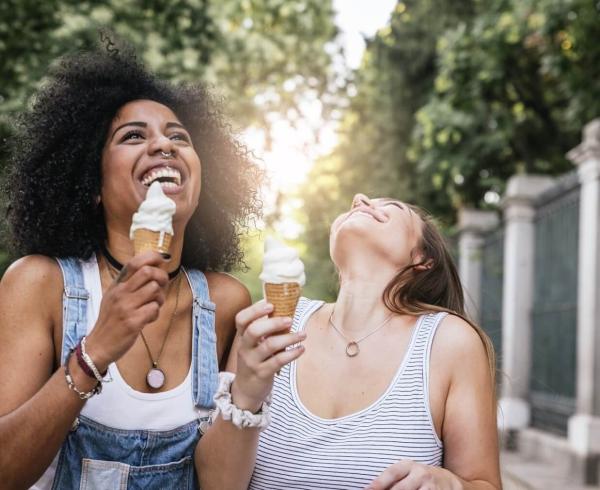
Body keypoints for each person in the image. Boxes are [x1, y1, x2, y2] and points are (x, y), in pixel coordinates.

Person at [0, 39, 262, 489]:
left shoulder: (225, 301)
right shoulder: (40, 284)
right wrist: (95, 351)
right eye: (134, 136)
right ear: (92, 183)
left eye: (179, 136)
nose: (165, 144)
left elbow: (224, 482)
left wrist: (256, 388)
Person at [197, 194, 501, 490]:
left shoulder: (451, 343)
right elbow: (214, 485)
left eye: (390, 207)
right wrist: (246, 395)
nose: (359, 199)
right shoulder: (271, 324)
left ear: (422, 258)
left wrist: (448, 484)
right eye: (356, 204)